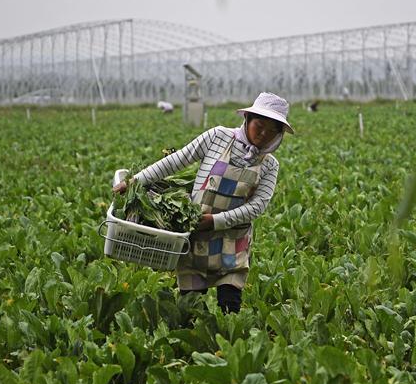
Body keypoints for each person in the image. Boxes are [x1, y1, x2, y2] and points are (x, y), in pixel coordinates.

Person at [114, 92, 293, 313]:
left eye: (273, 130)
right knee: (190, 304)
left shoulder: (269, 164)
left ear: (279, 134)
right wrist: (133, 181)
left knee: (230, 305)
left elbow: (257, 206)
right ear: (247, 118)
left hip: (232, 239)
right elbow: (176, 160)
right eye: (260, 125)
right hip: (197, 232)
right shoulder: (218, 137)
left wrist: (216, 220)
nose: (264, 134)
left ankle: (229, 345)